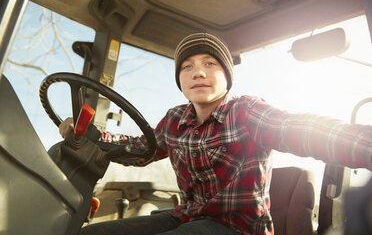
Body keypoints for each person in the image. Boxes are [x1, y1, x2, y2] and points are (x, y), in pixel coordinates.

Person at [59, 32, 372, 235]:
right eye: (188, 67)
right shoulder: (174, 120)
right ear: (180, 79)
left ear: (227, 76)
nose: (198, 72)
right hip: (188, 217)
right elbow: (141, 148)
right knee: (91, 234)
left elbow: (305, 130)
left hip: (239, 228)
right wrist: (92, 137)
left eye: (210, 63)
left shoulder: (247, 112)